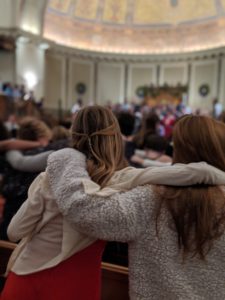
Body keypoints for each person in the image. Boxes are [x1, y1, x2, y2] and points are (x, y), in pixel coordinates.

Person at [2, 108, 225, 300]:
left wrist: (65, 160)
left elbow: (14, 231)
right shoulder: (122, 181)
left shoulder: (51, 179)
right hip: (79, 282)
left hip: (28, 274)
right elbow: (183, 173)